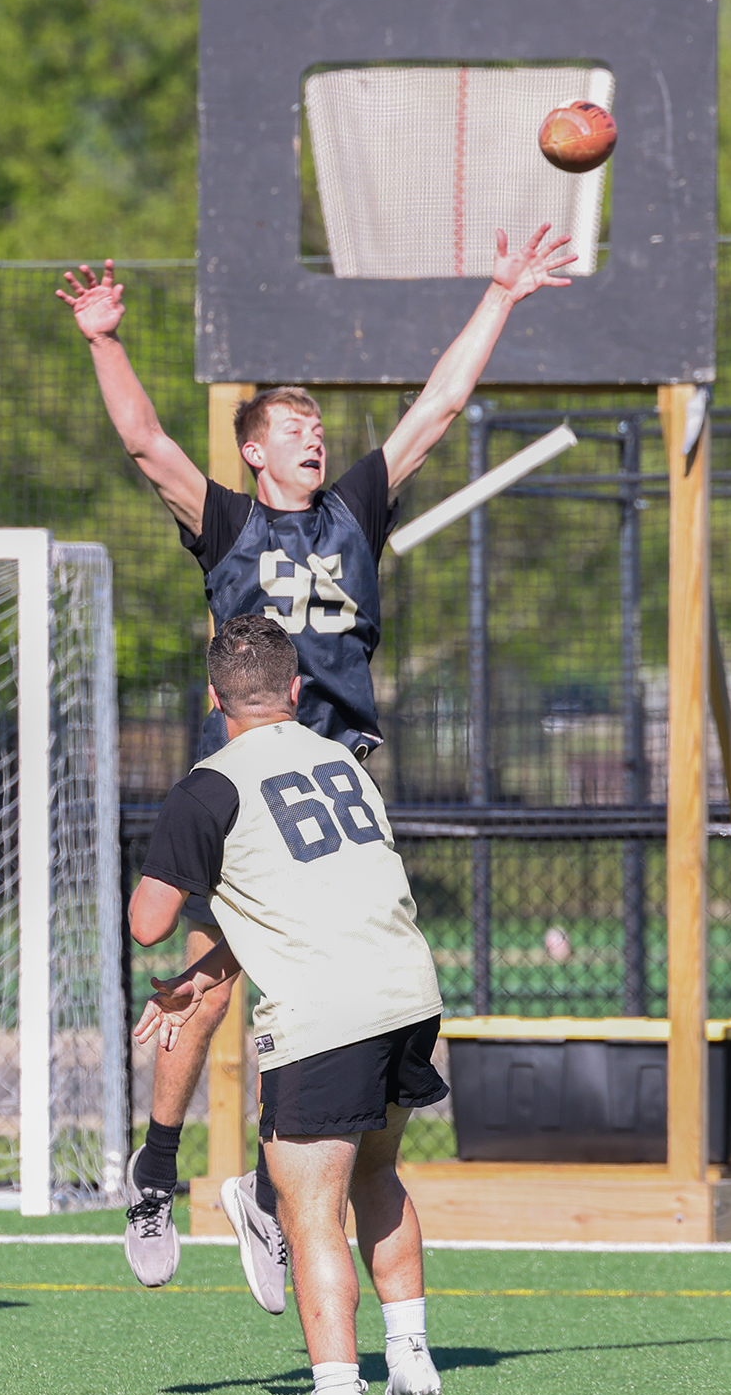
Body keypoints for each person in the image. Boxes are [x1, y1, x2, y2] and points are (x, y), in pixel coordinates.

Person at [58, 225, 576, 1306]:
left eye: (317, 425)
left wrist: (500, 295)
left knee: (332, 986)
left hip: (340, 776)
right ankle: (157, 1173)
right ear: (253, 448)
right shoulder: (231, 523)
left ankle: (261, 1183)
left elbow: (436, 406)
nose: (312, 435)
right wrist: (105, 342)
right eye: (292, 426)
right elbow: (149, 443)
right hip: (246, 781)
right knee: (205, 992)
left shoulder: (353, 511)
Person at [128, 616, 448, 1395]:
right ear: (296, 689)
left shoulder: (209, 785)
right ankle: (411, 1358)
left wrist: (183, 888)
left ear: (213, 697)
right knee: (379, 1175)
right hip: (409, 990)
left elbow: (149, 920)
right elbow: (321, 889)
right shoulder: (342, 759)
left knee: (311, 1211)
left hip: (323, 1011)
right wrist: (219, 964)